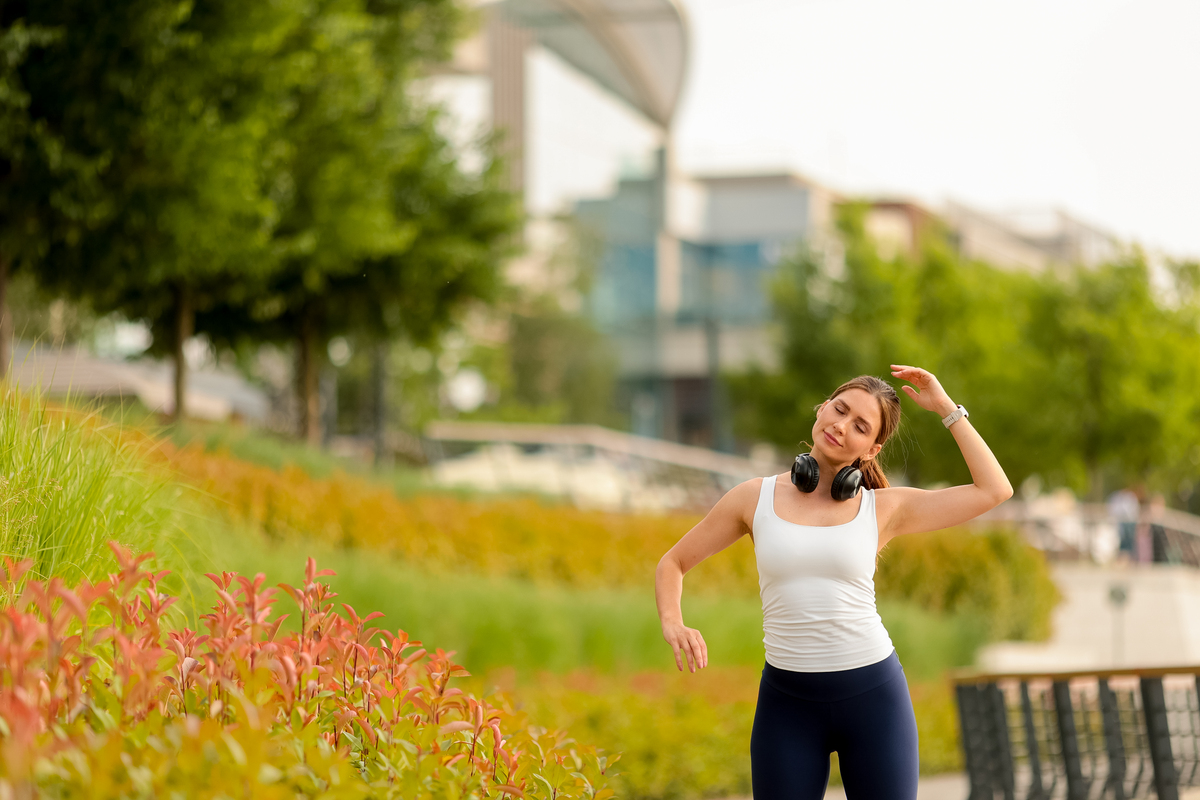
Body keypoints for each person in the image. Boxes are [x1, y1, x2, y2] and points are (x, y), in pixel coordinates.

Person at [654, 366, 1013, 800]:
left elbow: (994, 490)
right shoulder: (753, 498)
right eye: (840, 410)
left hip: (874, 699)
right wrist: (673, 621)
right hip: (787, 705)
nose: (842, 426)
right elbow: (673, 562)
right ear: (822, 408)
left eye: (860, 426)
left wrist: (945, 408)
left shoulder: (883, 508)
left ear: (872, 449)